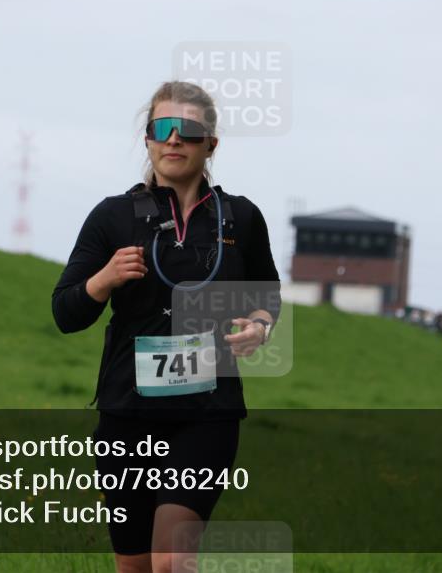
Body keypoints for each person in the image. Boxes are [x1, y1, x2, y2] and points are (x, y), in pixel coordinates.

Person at [52, 81, 281, 573]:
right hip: (126, 414)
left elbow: (267, 298)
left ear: (211, 144)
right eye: (161, 129)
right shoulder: (111, 217)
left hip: (207, 412)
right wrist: (104, 280)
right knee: (134, 567)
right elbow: (65, 313)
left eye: (188, 131)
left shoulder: (241, 218)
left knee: (173, 561)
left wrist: (259, 327)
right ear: (148, 140)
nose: (173, 140)